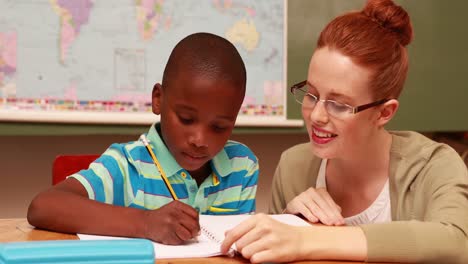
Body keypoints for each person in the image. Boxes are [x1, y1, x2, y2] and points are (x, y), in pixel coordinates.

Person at [221, 0, 468, 263]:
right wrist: (289, 221)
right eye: (312, 95)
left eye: (339, 105)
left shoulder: (434, 165)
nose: (316, 116)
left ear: (384, 113)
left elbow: (456, 244)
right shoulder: (293, 166)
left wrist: (306, 238)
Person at [27, 32, 259, 245]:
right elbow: (43, 207)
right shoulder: (128, 166)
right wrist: (145, 223)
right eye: (186, 119)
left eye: (219, 127)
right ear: (158, 99)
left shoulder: (242, 166)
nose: (200, 140)